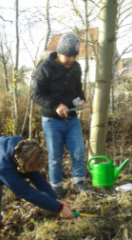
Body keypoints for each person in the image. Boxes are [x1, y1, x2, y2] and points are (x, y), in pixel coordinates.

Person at [31, 33, 90, 198]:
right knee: (55, 156)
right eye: (68, 56)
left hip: (72, 120)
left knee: (78, 152)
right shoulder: (44, 68)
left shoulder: (76, 68)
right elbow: (35, 94)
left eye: (74, 56)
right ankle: (55, 187)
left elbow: (78, 89)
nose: (71, 59)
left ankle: (79, 183)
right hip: (52, 121)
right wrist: (56, 105)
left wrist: (81, 100)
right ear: (58, 53)